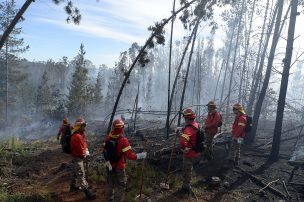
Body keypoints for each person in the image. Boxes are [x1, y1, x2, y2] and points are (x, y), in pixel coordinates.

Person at [103, 119, 147, 202]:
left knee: (110, 184)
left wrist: (108, 163)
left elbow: (104, 151)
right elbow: (130, 156)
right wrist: (140, 155)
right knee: (120, 186)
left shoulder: (108, 137)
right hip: (119, 167)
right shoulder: (124, 141)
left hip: (109, 165)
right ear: (122, 128)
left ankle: (108, 199)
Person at [70, 117, 96, 200]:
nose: (84, 128)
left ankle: (72, 186)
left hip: (75, 157)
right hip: (78, 158)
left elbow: (83, 144)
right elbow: (80, 150)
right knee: (80, 174)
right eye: (83, 126)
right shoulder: (77, 136)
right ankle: (88, 192)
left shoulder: (80, 135)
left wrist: (86, 149)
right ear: (79, 127)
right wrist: (84, 154)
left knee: (74, 172)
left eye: (85, 126)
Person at [178, 109, 200, 194]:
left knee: (186, 169)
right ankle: (187, 184)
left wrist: (183, 148)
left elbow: (183, 140)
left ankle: (186, 187)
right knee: (189, 167)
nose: (184, 119)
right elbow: (190, 132)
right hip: (194, 151)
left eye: (185, 118)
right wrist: (182, 128)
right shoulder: (195, 124)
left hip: (189, 152)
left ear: (187, 118)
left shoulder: (189, 128)